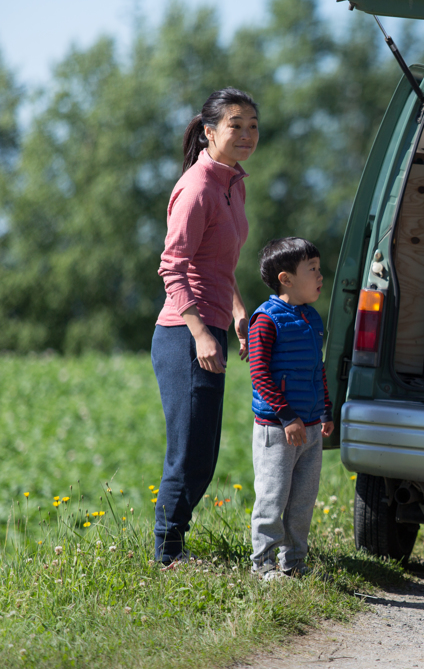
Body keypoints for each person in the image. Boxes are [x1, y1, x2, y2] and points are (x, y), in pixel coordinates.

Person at [152, 88, 259, 566]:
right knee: (189, 451)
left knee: (205, 453)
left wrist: (237, 311)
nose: (247, 134)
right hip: (184, 333)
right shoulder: (197, 187)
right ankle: (167, 555)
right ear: (210, 131)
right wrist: (198, 333)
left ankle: (175, 548)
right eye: (236, 125)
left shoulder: (232, 184)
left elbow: (220, 263)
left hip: (211, 328)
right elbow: (172, 266)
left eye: (253, 125)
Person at [246, 237, 333, 580]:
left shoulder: (312, 318)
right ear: (286, 279)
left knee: (302, 502)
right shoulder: (266, 320)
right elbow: (259, 374)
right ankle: (263, 564)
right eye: (312, 269)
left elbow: (317, 369)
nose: (320, 275)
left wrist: (324, 410)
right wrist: (286, 416)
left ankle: (294, 563)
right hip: (278, 429)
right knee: (272, 498)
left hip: (310, 427)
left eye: (319, 268)